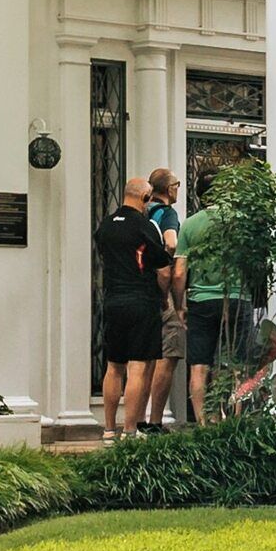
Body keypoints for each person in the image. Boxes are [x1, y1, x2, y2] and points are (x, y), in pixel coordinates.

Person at [90, 176, 173, 437]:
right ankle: (129, 430)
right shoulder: (144, 226)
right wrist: (164, 297)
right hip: (141, 300)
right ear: (145, 198)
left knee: (114, 365)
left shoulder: (105, 225)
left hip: (113, 300)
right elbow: (163, 268)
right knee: (138, 366)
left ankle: (108, 429)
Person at [177, 179, 249, 426]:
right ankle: (235, 420)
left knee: (199, 365)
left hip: (201, 300)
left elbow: (179, 272)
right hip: (237, 298)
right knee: (237, 365)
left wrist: (179, 304)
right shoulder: (240, 222)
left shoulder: (190, 225)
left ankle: (203, 423)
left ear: (199, 195)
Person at [143, 167, 187, 429]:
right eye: (177, 184)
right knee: (168, 354)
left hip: (138, 289)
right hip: (161, 289)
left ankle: (136, 419)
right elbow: (171, 242)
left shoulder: (142, 212)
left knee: (142, 357)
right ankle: (155, 420)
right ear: (169, 189)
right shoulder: (167, 213)